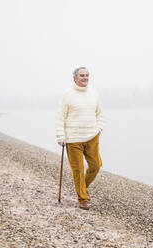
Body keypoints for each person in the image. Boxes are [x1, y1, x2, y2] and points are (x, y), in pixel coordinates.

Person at [55, 67, 105, 210]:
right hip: (73, 138)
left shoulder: (94, 93)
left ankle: (82, 187)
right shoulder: (67, 94)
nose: (85, 78)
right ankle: (82, 198)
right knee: (78, 169)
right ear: (75, 78)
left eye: (87, 75)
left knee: (96, 165)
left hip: (92, 136)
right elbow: (61, 116)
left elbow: (100, 114)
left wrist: (99, 129)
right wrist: (60, 136)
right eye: (82, 75)